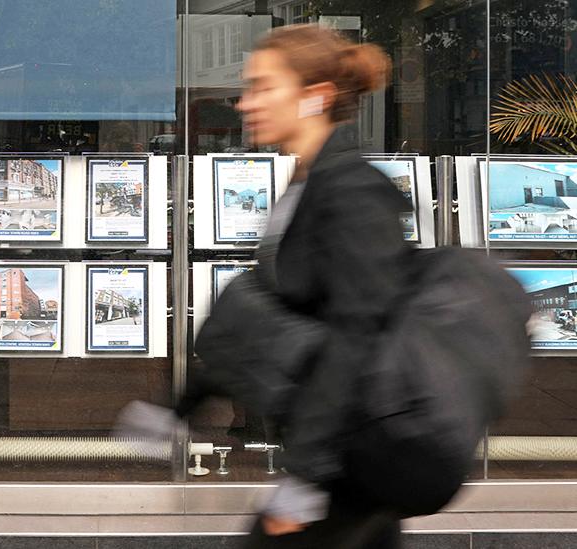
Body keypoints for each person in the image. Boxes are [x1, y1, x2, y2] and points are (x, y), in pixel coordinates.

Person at [118, 25, 409, 549]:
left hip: (342, 468)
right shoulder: (307, 181)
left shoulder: (354, 193)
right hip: (329, 465)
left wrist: (306, 479)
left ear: (313, 98)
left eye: (263, 87)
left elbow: (358, 341)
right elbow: (265, 316)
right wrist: (179, 408)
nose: (244, 103)